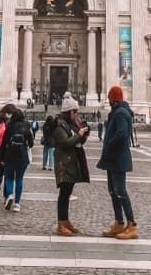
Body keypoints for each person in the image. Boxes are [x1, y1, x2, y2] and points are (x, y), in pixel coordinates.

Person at [97, 85, 137, 240]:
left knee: (120, 191)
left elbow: (122, 134)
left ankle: (132, 225)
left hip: (118, 157)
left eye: (109, 98)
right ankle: (119, 223)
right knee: (113, 191)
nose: (108, 100)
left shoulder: (121, 113)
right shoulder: (117, 112)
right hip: (113, 158)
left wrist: (109, 144)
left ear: (113, 99)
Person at [53, 92, 90, 236]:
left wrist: (83, 136)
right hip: (64, 164)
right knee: (64, 194)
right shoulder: (59, 125)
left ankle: (65, 221)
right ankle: (61, 224)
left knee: (67, 194)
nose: (76, 115)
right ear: (69, 112)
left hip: (71, 162)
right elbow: (65, 143)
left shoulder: (70, 124)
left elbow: (76, 141)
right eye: (75, 112)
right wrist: (79, 136)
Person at [2, 108, 34, 211]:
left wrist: (2, 156)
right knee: (19, 178)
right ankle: (17, 204)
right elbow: (31, 142)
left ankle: (10, 194)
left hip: (10, 154)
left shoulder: (9, 125)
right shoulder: (26, 125)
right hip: (22, 154)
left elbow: (4, 141)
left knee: (9, 177)